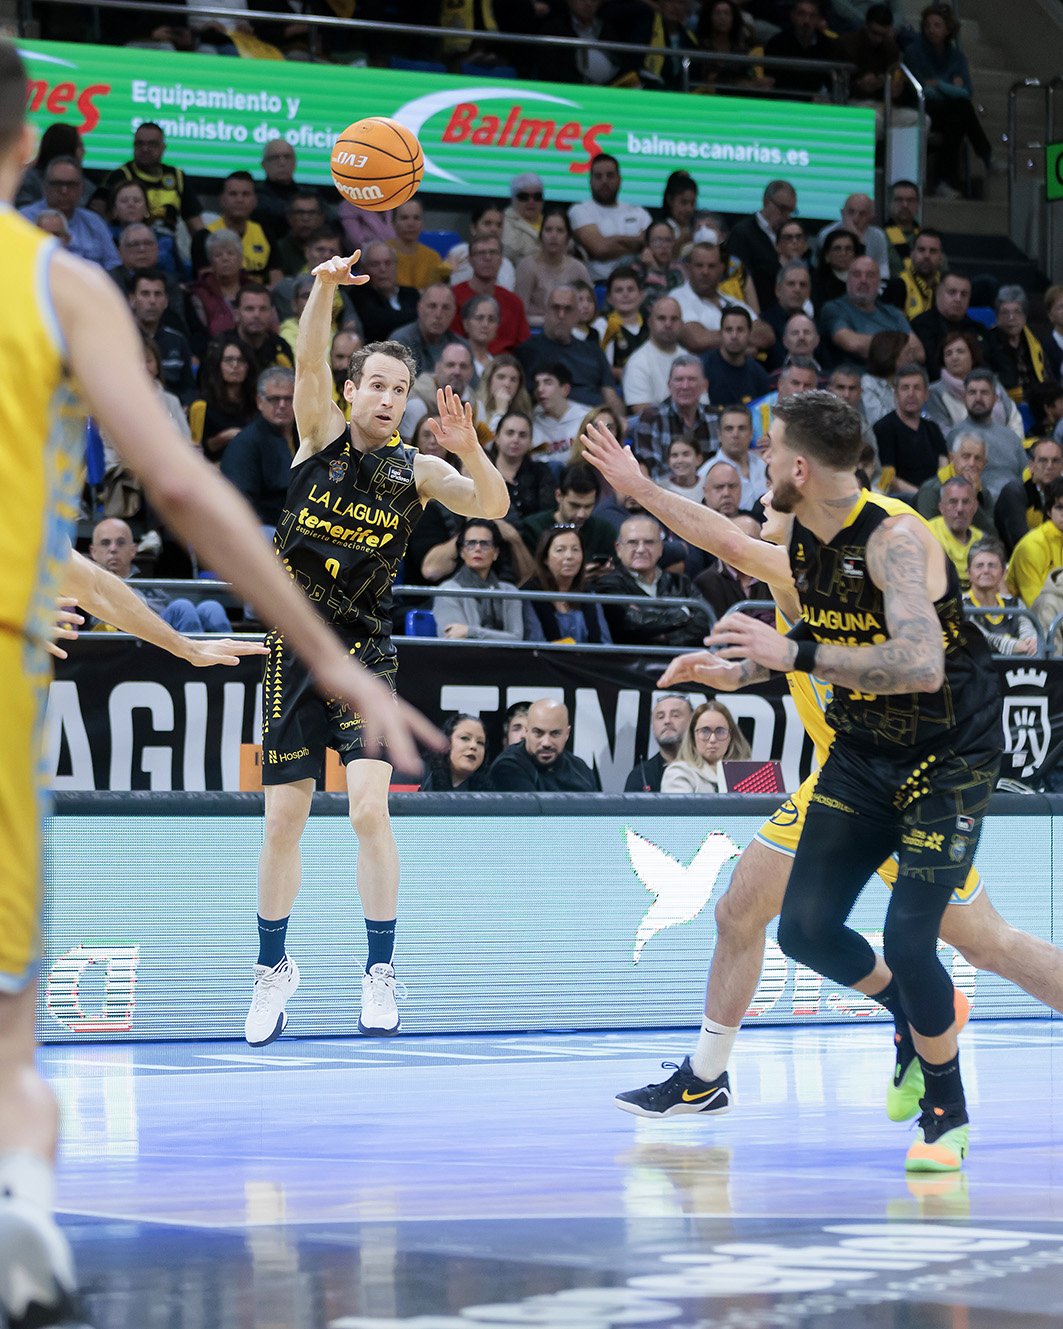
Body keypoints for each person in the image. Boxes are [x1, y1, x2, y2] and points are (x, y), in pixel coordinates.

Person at [0, 42, 437, 1324]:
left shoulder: (398, 458)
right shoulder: (57, 286)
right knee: (12, 1030)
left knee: (343, 814)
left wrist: (192, 645)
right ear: (27, 146)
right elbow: (180, 487)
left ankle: (355, 969)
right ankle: (25, 1214)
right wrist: (283, 647)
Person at [582, 422, 1063, 1162]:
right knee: (742, 909)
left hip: (917, 771)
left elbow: (736, 550)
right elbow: (798, 627)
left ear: (803, 475)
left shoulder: (863, 542)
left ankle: (925, 1034)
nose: (759, 493)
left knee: (985, 941)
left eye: (772, 464)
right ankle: (707, 1076)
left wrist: (641, 489)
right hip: (845, 772)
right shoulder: (807, 554)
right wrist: (741, 672)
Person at [245, 253, 509, 1055]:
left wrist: (470, 448)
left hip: (365, 652)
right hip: (294, 649)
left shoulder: (416, 471)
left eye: (401, 389)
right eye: (378, 386)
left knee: (368, 809)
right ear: (352, 390)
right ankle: (271, 967)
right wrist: (323, 286)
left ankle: (380, 970)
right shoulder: (318, 435)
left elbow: (492, 504)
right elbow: (305, 361)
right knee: (283, 820)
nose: (389, 399)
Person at [904, 2, 995, 197]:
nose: (931, 30)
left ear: (948, 29)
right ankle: (985, 156)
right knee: (961, 110)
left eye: (937, 25)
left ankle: (943, 181)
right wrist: (952, 88)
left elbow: (967, 92)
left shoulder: (956, 56)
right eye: (928, 25)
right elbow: (922, 91)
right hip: (923, 107)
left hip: (949, 110)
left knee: (959, 114)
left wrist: (939, 84)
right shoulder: (914, 52)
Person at [87, 517, 231, 633]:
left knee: (211, 608)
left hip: (166, 632)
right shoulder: (90, 586)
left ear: (133, 550)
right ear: (93, 552)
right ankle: (196, 660)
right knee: (182, 607)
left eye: (120, 543)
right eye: (105, 543)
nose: (113, 549)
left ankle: (234, 659)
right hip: (139, 643)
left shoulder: (149, 586)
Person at [593, 515, 713, 647]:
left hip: (684, 657)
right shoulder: (607, 585)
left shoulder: (680, 582)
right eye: (633, 542)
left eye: (649, 542)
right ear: (618, 549)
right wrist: (684, 613)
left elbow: (705, 622)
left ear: (661, 548)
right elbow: (632, 625)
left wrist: (667, 639)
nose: (641, 549)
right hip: (631, 659)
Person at [515, 286, 623, 418]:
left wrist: (619, 420)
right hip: (553, 420)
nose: (561, 315)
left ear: (577, 315)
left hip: (597, 418)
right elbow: (526, 400)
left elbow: (610, 394)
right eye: (556, 308)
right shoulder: (527, 351)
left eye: (568, 309)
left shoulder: (593, 351)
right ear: (546, 311)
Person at [104, 120, 204, 237]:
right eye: (140, 143)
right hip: (128, 241)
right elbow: (103, 221)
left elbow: (195, 224)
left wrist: (206, 242)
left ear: (163, 147)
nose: (145, 148)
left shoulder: (177, 176)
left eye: (152, 144)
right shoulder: (120, 176)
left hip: (168, 243)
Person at [432, 518, 525, 641]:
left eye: (484, 544)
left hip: (504, 653)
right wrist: (498, 637)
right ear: (462, 552)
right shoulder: (447, 590)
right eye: (471, 543)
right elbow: (454, 638)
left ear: (496, 553)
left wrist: (470, 632)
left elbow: (516, 639)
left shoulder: (509, 591)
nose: (477, 548)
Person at [19, 156, 120, 270]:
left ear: (81, 188)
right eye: (57, 184)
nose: (64, 190)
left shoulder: (94, 222)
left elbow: (114, 266)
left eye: (71, 184)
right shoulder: (22, 220)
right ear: (45, 186)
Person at [945, 370, 1028, 504]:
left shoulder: (1011, 436)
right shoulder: (954, 436)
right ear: (964, 397)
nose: (978, 398)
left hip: (1016, 501)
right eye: (972, 392)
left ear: (995, 398)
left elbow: (1027, 475)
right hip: (978, 503)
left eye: (984, 393)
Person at [567, 154, 652, 285]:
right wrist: (638, 246)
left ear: (620, 180)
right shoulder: (579, 210)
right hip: (598, 285)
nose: (604, 181)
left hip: (638, 284)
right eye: (598, 176)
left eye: (610, 175)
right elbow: (600, 248)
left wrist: (613, 240)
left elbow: (653, 245)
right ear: (590, 181)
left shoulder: (639, 212)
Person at [521, 524, 611, 644]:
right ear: (545, 558)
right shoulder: (530, 594)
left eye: (575, 549)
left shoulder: (589, 594)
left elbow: (605, 644)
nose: (569, 556)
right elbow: (534, 643)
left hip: (589, 656)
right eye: (560, 550)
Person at [926, 329, 1023, 438]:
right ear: (943, 360)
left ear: (972, 356)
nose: (954, 357)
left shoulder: (992, 382)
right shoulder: (935, 392)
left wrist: (1011, 444)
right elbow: (942, 432)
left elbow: (1014, 420)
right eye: (948, 353)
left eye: (960, 351)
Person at [671, 243, 765, 356]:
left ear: (721, 269)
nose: (705, 272)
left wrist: (719, 341)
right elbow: (697, 340)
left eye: (711, 266)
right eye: (699, 265)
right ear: (689, 267)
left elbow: (766, 335)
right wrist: (743, 347)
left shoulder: (731, 300)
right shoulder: (677, 298)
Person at [632, 356, 718, 478]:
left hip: (710, 488)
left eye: (692, 379)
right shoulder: (651, 418)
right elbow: (648, 470)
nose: (685, 386)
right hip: (662, 488)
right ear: (669, 385)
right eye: (679, 380)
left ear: (704, 385)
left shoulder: (716, 418)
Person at [489, 699, 600, 791]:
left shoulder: (579, 768)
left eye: (555, 733)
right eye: (538, 733)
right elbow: (533, 810)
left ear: (567, 733)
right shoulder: (507, 766)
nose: (546, 743)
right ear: (527, 731)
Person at [820, 256, 911, 367]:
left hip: (898, 375)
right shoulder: (834, 308)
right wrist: (900, 350)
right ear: (848, 280)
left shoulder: (894, 313)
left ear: (879, 282)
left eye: (870, 275)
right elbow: (851, 343)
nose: (863, 280)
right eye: (857, 274)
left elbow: (918, 351)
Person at [519, 462, 616, 564]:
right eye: (574, 505)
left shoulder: (603, 531)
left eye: (588, 506)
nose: (581, 514)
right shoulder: (533, 528)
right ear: (558, 496)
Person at [873, 363, 947, 496]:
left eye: (917, 388)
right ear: (896, 394)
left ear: (926, 394)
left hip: (934, 496)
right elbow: (889, 478)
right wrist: (923, 496)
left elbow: (944, 466)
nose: (911, 394)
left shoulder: (933, 428)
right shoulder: (883, 428)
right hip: (900, 499)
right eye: (905, 388)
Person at [451, 235, 530, 356]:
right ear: (470, 260)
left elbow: (524, 346)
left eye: (493, 253)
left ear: (501, 260)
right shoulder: (453, 297)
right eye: (480, 253)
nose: (487, 258)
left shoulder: (514, 302)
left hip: (505, 363)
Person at [513, 206, 592, 329]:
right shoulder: (527, 266)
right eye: (548, 230)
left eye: (560, 231)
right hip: (536, 332)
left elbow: (591, 309)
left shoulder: (578, 268)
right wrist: (551, 321)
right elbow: (518, 314)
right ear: (541, 235)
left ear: (568, 237)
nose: (553, 235)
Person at [728, 180, 799, 313]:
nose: (786, 216)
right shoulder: (742, 233)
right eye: (782, 209)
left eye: (791, 211)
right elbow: (738, 279)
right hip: (755, 311)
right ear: (766, 202)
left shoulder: (788, 235)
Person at [128, 269, 196, 403]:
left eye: (158, 294)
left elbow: (190, 388)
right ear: (132, 300)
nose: (152, 301)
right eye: (145, 294)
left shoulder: (178, 340)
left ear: (166, 301)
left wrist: (184, 405)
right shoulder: (119, 341)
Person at [186, 335, 258, 460]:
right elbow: (196, 450)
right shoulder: (201, 407)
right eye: (229, 360)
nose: (235, 365)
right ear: (218, 365)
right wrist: (223, 438)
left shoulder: (258, 402)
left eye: (241, 360)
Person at [964, 538, 1039, 656]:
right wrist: (1014, 646)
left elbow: (1028, 632)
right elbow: (981, 638)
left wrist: (1031, 642)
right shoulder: (959, 605)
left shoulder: (1015, 604)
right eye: (979, 566)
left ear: (1004, 572)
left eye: (992, 566)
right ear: (968, 572)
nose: (986, 570)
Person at [660, 700, 751, 793]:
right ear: (693, 736)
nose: (712, 739)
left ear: (731, 736)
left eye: (720, 731)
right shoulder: (678, 772)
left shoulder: (746, 774)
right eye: (704, 731)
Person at [188, 229, 260, 346]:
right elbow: (201, 336)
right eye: (218, 255)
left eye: (230, 253)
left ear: (241, 259)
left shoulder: (255, 289)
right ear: (211, 263)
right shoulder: (200, 294)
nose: (225, 259)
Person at [914, 431, 994, 534]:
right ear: (952, 458)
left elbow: (990, 535)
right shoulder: (931, 490)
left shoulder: (983, 492)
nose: (972, 463)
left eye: (978, 458)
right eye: (966, 456)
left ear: (984, 464)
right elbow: (929, 534)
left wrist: (972, 497)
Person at [983, 285, 1048, 409]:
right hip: (1002, 406)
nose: (1011, 318)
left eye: (1017, 312)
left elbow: (1047, 378)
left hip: (1038, 405)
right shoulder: (987, 342)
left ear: (1025, 316)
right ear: (997, 317)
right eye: (1005, 312)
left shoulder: (1034, 343)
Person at [994, 436, 1063, 551]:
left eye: (1055, 461)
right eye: (1043, 460)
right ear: (1031, 465)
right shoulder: (1015, 492)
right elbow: (1021, 542)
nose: (1049, 466)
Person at [199, 171, 271, 279]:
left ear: (255, 201)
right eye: (233, 194)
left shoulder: (266, 234)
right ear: (222, 200)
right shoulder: (204, 236)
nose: (239, 200)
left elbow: (276, 280)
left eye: (245, 194)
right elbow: (205, 279)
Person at [621, 296, 686, 416]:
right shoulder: (637, 362)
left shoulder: (690, 360)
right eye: (661, 318)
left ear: (682, 323)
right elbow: (643, 414)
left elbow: (702, 404)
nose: (668, 324)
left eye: (674, 319)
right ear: (650, 322)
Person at [400, 342, 475, 444]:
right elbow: (407, 447)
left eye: (463, 366)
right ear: (438, 367)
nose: (457, 371)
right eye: (450, 365)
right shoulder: (417, 404)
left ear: (471, 371)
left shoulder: (475, 403)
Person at [764, 0, 840, 97]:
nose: (806, 21)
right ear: (792, 16)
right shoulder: (776, 43)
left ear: (819, 19)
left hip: (817, 99)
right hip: (785, 98)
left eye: (812, 16)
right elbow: (772, 80)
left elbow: (830, 82)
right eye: (801, 14)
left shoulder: (828, 45)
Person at [1007, 478, 1063, 606]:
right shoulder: (1032, 545)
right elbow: (1035, 603)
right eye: (1060, 508)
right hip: (1025, 615)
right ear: (1049, 511)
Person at [911, 271, 983, 370]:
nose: (958, 299)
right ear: (938, 293)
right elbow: (931, 367)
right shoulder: (920, 326)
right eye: (952, 292)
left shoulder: (979, 329)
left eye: (964, 294)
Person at [392, 284, 466, 377]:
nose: (438, 314)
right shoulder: (401, 342)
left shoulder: (461, 346)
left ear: (454, 312)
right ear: (419, 308)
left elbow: (473, 384)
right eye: (432, 306)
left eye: (446, 308)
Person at [624, 694, 694, 791]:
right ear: (653, 725)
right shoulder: (640, 776)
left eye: (675, 715)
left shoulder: (709, 768)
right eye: (660, 717)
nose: (667, 721)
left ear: (693, 722)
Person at [817, 193, 891, 284]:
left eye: (862, 214)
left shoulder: (878, 236)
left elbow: (883, 268)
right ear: (842, 213)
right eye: (851, 212)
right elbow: (821, 271)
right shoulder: (827, 234)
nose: (856, 219)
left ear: (871, 216)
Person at [702, 307, 771, 406]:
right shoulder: (703, 368)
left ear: (749, 334)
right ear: (721, 333)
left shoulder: (759, 375)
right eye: (728, 330)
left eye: (740, 330)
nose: (734, 336)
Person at [593, 266, 648, 382]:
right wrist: (631, 374)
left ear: (641, 295)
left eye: (630, 289)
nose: (625, 295)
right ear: (609, 298)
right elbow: (601, 368)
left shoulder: (652, 322)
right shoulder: (602, 325)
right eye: (619, 290)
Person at [927, 476, 984, 589]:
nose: (960, 509)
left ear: (975, 507)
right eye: (953, 502)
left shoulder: (983, 541)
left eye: (966, 502)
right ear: (941, 507)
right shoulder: (927, 534)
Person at [861, 329, 921, 426]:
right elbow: (878, 422)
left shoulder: (908, 379)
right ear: (892, 355)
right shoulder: (868, 383)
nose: (912, 358)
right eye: (907, 353)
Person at [419, 714, 493, 792]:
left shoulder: (487, 791)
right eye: (465, 738)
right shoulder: (421, 775)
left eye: (480, 742)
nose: (473, 746)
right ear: (447, 742)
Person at [388, 198, 447, 291]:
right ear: (393, 222)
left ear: (422, 223)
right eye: (404, 218)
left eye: (416, 218)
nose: (411, 224)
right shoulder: (382, 256)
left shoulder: (433, 258)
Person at [717, 405, 769, 508]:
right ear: (719, 434)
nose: (735, 434)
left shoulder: (765, 465)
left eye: (742, 428)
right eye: (729, 429)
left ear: (751, 433)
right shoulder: (707, 474)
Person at [532, 365, 586, 463]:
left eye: (548, 383)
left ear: (565, 389)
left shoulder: (586, 418)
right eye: (537, 384)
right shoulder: (531, 423)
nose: (540, 389)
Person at [270, 194, 326, 278]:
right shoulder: (278, 249)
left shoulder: (331, 248)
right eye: (299, 213)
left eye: (312, 213)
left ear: (322, 217)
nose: (305, 218)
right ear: (289, 217)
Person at [897, 229, 946, 322]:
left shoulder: (948, 287)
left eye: (933, 251)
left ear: (941, 258)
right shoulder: (898, 286)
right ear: (911, 255)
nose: (927, 256)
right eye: (921, 250)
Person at [812, 227, 862, 312]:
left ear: (855, 255)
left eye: (848, 249)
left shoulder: (863, 280)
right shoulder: (816, 282)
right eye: (837, 249)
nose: (843, 253)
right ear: (827, 256)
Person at [502, 172, 544, 267]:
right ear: (513, 199)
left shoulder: (551, 221)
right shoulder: (504, 223)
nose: (531, 201)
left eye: (537, 197)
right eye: (524, 197)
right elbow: (509, 253)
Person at [885, 180, 923, 277]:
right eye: (899, 200)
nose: (905, 205)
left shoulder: (928, 238)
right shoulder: (879, 237)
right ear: (889, 203)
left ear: (918, 204)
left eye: (910, 200)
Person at [460, 294, 501, 380]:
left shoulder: (498, 366)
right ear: (466, 324)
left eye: (491, 319)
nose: (485, 324)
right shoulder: (455, 359)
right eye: (479, 318)